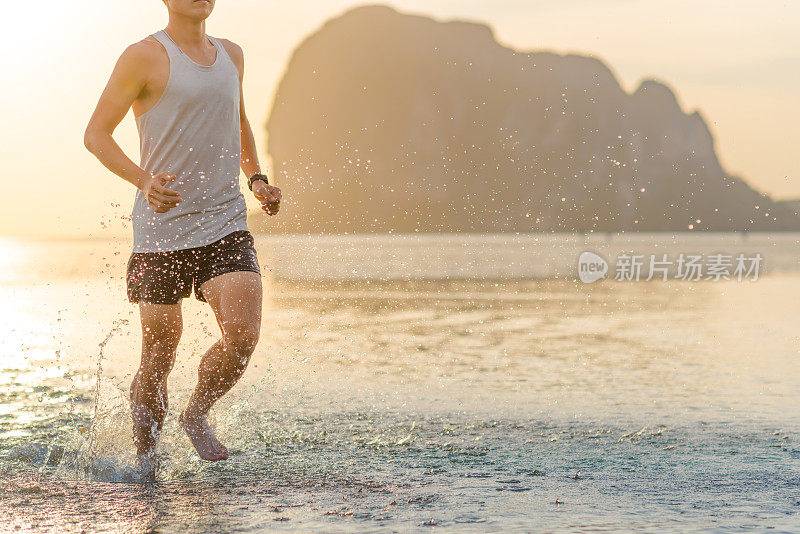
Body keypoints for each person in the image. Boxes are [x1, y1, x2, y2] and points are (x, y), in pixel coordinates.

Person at [83, 0, 282, 475]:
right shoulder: (144, 56)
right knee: (159, 354)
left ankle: (196, 414)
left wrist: (256, 180)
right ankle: (146, 462)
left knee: (242, 335)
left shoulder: (231, 53)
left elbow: (239, 123)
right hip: (162, 230)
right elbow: (96, 134)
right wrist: (142, 180)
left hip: (224, 220)